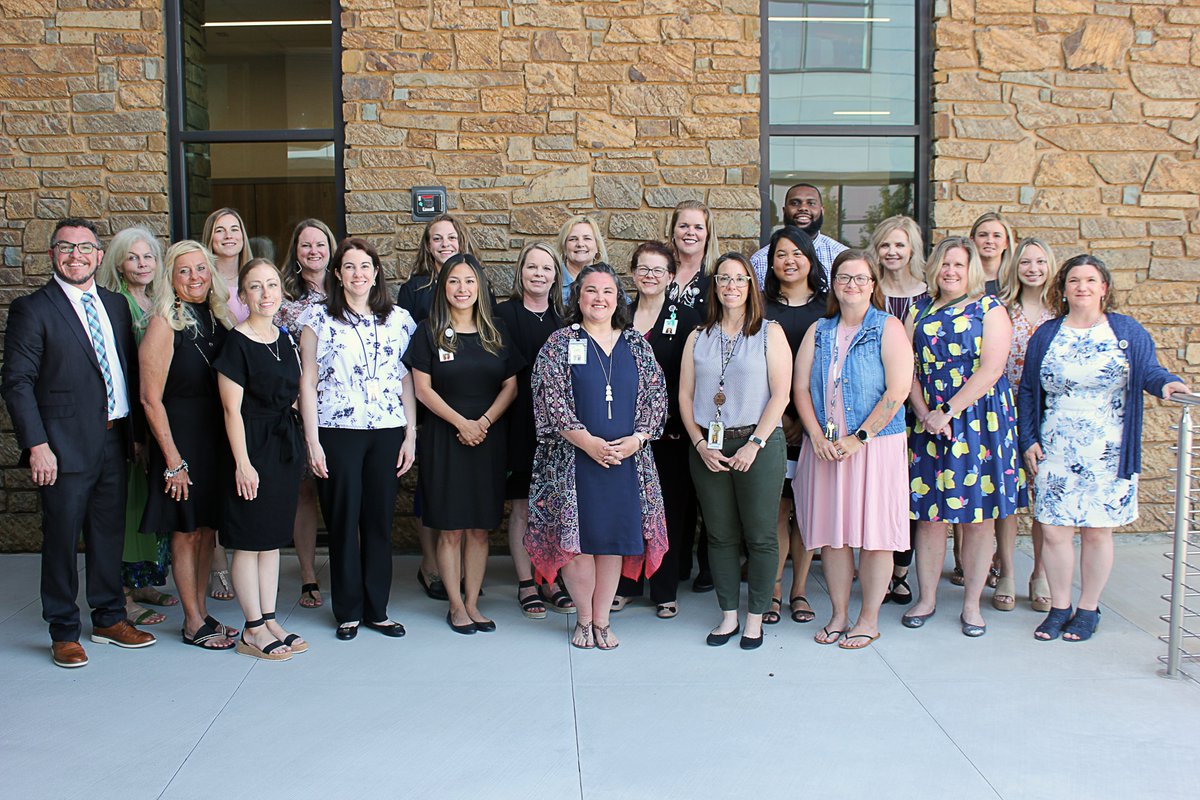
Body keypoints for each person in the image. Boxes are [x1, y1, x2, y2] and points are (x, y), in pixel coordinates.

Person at [1, 217, 156, 668]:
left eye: (85, 248)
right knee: (63, 541)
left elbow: (125, 372)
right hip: (62, 448)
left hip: (114, 442)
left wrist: (137, 439)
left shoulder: (114, 305)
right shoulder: (33, 309)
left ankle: (109, 617)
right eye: (66, 248)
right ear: (53, 255)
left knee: (108, 536)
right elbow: (17, 383)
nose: (76, 256)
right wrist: (37, 445)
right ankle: (63, 630)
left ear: (98, 255)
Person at [1019, 255, 1188, 642]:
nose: (1082, 287)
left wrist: (1169, 384)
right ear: (1062, 289)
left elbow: (1149, 371)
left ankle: (1088, 609)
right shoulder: (1047, 334)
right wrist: (1027, 438)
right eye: (1074, 280)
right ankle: (1060, 607)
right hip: (1056, 447)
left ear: (1104, 288)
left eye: (1090, 280)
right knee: (1055, 530)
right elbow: (1029, 389)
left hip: (1108, 449)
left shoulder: (1125, 330)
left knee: (1097, 532)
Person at [526, 263, 668, 650]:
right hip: (574, 462)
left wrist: (638, 439)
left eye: (607, 291)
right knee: (577, 545)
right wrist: (585, 441)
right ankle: (584, 621)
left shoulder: (636, 343)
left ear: (617, 299)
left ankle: (603, 621)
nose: (599, 299)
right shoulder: (559, 344)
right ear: (578, 297)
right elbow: (549, 397)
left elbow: (656, 395)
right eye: (591, 291)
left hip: (625, 463)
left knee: (612, 544)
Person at [902, 237, 1023, 638]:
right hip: (929, 421)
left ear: (969, 270)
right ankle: (927, 598)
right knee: (930, 517)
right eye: (944, 264)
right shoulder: (917, 309)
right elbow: (907, 369)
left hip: (978, 421)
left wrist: (947, 411)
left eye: (958, 265)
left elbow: (991, 369)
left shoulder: (989, 309)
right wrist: (924, 414)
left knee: (976, 518)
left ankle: (972, 604)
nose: (950, 271)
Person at [793, 250, 913, 649]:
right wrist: (816, 437)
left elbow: (898, 392)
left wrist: (858, 438)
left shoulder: (888, 327)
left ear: (873, 285)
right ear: (834, 284)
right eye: (845, 278)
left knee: (875, 534)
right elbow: (800, 389)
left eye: (861, 279)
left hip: (873, 446)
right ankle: (840, 615)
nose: (852, 286)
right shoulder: (819, 331)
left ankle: (868, 619)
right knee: (834, 534)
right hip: (826, 447)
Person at [299, 237, 417, 641]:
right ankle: (348, 611)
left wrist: (410, 435)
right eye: (349, 266)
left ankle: (377, 610)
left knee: (379, 522)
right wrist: (313, 442)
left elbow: (406, 380)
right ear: (337, 273)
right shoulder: (318, 319)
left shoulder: (399, 319)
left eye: (365, 266)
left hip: (386, 432)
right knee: (344, 522)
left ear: (376, 272)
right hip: (337, 432)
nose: (358, 274)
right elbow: (308, 382)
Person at [680, 253, 791, 650]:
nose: (730, 286)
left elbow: (781, 395)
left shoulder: (769, 332)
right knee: (720, 536)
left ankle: (756, 618)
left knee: (760, 536)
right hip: (708, 446)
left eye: (739, 279)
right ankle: (728, 615)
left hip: (757, 444)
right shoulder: (698, 336)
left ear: (751, 285)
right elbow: (685, 396)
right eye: (723, 279)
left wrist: (755, 444)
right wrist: (699, 443)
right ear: (715, 286)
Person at [405, 253, 521, 635]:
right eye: (454, 281)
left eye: (469, 281)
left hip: (488, 438)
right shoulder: (428, 331)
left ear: (480, 288)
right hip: (445, 437)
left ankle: (474, 603)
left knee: (479, 528)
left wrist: (483, 422)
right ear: (443, 287)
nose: (462, 289)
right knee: (451, 528)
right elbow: (422, 389)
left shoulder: (496, 330)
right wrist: (462, 423)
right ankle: (455, 605)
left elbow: (511, 385)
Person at [139, 240, 238, 650]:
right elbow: (149, 398)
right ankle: (192, 621)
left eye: (201, 269)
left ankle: (202, 612)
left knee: (207, 531)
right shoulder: (164, 322)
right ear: (171, 277)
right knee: (185, 532)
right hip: (181, 441)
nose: (195, 277)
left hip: (215, 439)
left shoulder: (218, 318)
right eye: (184, 271)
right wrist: (173, 461)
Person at [215, 259, 307, 661]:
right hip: (250, 445)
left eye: (272, 285)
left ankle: (269, 618)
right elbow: (231, 412)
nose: (266, 293)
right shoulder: (236, 343)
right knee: (249, 542)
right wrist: (243, 463)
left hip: (282, 446)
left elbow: (295, 394)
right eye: (256, 286)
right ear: (243, 295)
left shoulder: (283, 338)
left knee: (271, 542)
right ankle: (251, 628)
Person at [612, 241, 702, 618]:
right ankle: (627, 584)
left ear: (670, 276)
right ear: (632, 273)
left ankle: (665, 589)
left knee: (668, 511)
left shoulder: (687, 318)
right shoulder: (618, 316)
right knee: (628, 509)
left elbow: (692, 378)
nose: (650, 276)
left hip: (669, 435)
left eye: (658, 271)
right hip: (623, 434)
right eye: (643, 269)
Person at [395, 213, 479, 602]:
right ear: (427, 246)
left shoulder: (474, 281)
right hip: (429, 399)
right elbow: (409, 354)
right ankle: (430, 565)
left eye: (451, 237)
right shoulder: (414, 290)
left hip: (467, 395)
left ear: (461, 241)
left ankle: (460, 570)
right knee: (432, 488)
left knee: (462, 493)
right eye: (436, 238)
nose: (444, 243)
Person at [96, 227, 175, 625]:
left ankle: (144, 581)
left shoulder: (160, 301)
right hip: (133, 423)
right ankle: (123, 596)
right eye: (133, 258)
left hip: (159, 418)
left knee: (148, 503)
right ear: (119, 264)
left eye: (149, 257)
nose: (143, 264)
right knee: (126, 509)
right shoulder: (114, 304)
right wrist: (137, 435)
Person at [493, 243, 574, 618]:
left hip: (558, 431)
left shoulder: (564, 321)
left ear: (556, 276)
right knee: (523, 507)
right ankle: (526, 581)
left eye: (546, 268)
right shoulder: (502, 315)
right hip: (517, 422)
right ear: (521, 271)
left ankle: (550, 577)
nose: (539, 274)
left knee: (554, 507)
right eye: (532, 267)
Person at [763, 227, 827, 626]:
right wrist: (783, 416)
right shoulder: (763, 308)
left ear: (810, 260)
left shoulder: (827, 308)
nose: (790, 260)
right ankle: (772, 591)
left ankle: (800, 590)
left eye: (797, 253)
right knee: (776, 509)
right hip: (772, 424)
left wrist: (806, 423)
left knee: (806, 512)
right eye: (781, 254)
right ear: (771, 263)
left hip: (816, 427)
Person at [275, 219, 336, 610]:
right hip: (300, 408)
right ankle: (310, 576)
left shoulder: (349, 287)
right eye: (305, 245)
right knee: (305, 493)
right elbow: (276, 354)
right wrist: (295, 398)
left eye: (320, 244)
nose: (313, 251)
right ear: (295, 252)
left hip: (346, 410)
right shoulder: (283, 298)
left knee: (346, 492)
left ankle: (354, 565)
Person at [995, 237, 1057, 613]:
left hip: (1050, 417)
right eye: (1025, 263)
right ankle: (1006, 572)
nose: (1033, 269)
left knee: (1045, 501)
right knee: (1007, 499)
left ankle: (1041, 573)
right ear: (1014, 268)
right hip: (1005, 413)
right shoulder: (1002, 310)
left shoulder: (1061, 314)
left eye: (1040, 262)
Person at [871, 215, 927, 604]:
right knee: (877, 489)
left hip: (915, 406)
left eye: (900, 245)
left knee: (908, 491)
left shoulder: (928, 294)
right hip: (870, 405)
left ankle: (901, 571)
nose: (892, 252)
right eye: (885, 245)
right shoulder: (867, 290)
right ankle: (876, 562)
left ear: (912, 250)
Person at [665, 200, 719, 591]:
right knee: (673, 483)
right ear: (673, 231)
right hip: (664, 388)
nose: (690, 233)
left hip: (706, 390)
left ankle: (708, 565)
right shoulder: (659, 272)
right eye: (683, 226)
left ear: (707, 233)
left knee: (706, 485)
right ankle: (676, 561)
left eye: (697, 227)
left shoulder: (715, 279)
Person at [201, 206, 254, 603]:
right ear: (210, 237)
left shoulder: (256, 277)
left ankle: (248, 560)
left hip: (251, 393)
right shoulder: (203, 280)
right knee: (218, 477)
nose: (228, 235)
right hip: (211, 387)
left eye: (234, 228)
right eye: (220, 230)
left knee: (246, 474)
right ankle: (218, 564)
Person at [751, 183, 848, 286]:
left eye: (811, 203)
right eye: (795, 203)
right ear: (784, 211)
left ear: (822, 211)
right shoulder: (759, 261)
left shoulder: (841, 256)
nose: (803, 208)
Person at [556, 215, 609, 304]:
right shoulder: (552, 281)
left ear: (597, 246)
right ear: (564, 247)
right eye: (573, 239)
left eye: (587, 238)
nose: (580, 244)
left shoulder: (609, 281)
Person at [969, 211, 1014, 296]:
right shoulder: (960, 280)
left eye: (997, 236)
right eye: (983, 235)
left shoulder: (1015, 281)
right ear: (972, 240)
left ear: (1006, 243)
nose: (989, 241)